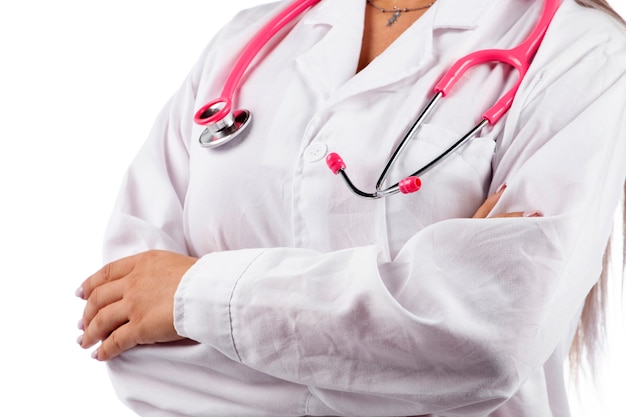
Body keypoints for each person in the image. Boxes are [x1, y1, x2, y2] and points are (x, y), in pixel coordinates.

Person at [76, 0, 626, 416]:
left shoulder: (582, 52)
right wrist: (406, 360)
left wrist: (193, 294)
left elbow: (490, 336)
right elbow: (125, 327)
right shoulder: (250, 41)